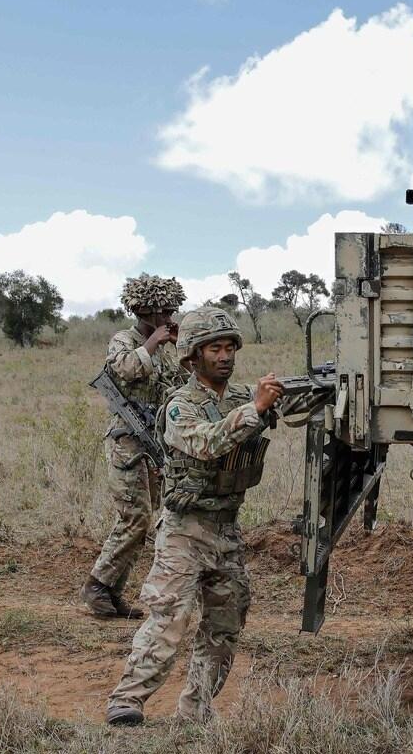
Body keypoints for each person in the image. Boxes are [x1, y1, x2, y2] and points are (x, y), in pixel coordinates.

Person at [105, 307, 283, 727]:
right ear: (192, 357)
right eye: (214, 349)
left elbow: (275, 410)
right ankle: (127, 699)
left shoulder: (239, 398)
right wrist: (256, 408)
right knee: (169, 619)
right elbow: (207, 443)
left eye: (229, 348)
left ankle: (196, 707)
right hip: (184, 533)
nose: (224, 356)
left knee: (226, 624)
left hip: (226, 530)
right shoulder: (180, 406)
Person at [80, 275, 187, 618]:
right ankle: (97, 585)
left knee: (142, 520)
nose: (171, 316)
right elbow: (123, 369)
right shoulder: (124, 340)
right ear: (145, 311)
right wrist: (152, 343)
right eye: (165, 311)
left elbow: (180, 387)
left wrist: (184, 351)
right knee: (135, 517)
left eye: (173, 310)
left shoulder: (167, 349)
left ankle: (112, 593)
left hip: (152, 441)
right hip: (126, 440)